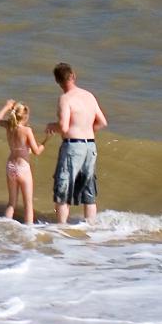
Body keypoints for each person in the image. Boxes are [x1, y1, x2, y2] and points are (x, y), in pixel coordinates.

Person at [43, 62, 108, 223]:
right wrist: (87, 129)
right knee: (89, 190)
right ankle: (91, 229)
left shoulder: (65, 99)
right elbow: (102, 122)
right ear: (73, 76)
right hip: (90, 145)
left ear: (57, 81)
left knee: (63, 188)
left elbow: (64, 127)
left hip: (73, 146)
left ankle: (61, 229)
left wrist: (52, 126)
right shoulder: (89, 96)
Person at [0, 100, 46, 224]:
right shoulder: (27, 130)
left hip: (11, 166)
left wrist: (6, 106)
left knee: (11, 203)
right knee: (28, 204)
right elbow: (37, 151)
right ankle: (29, 232)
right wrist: (45, 141)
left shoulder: (9, 126)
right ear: (25, 117)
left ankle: (5, 226)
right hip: (23, 168)